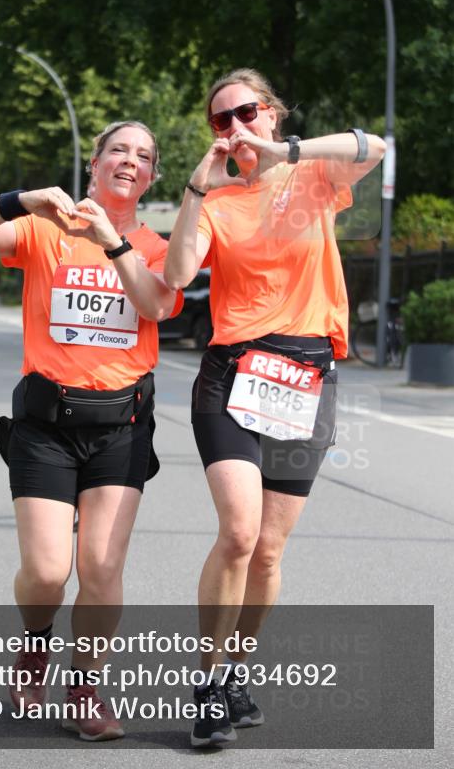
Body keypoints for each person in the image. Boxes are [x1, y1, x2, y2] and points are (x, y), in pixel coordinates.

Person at [164, 68, 386, 747]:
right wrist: (196, 190)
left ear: (271, 113)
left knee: (266, 551)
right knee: (237, 532)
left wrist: (288, 154)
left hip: (304, 377)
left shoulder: (313, 177)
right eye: (218, 121)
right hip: (232, 376)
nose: (232, 128)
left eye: (243, 113)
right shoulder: (218, 203)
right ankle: (204, 683)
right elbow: (174, 276)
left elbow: (374, 146)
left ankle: (235, 671)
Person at [0, 121, 183, 742]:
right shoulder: (48, 231)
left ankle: (85, 688)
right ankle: (33, 644)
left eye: (144, 156)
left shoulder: (158, 246)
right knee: (49, 572)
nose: (130, 161)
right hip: (46, 425)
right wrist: (22, 199)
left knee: (101, 568)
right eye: (118, 151)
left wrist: (114, 243)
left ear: (151, 176)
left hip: (121, 427)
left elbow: (157, 306)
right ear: (95, 166)